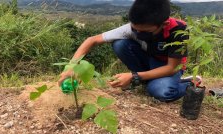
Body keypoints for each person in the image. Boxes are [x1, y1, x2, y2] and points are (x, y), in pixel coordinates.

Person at [58, 0, 202, 102]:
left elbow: (171, 68)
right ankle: (146, 80)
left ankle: (189, 83)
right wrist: (71, 67)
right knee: (120, 44)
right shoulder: (134, 27)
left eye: (144, 31)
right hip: (149, 60)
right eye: (135, 29)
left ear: (163, 24)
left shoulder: (178, 31)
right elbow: (91, 40)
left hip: (168, 67)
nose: (137, 33)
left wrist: (134, 76)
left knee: (162, 92)